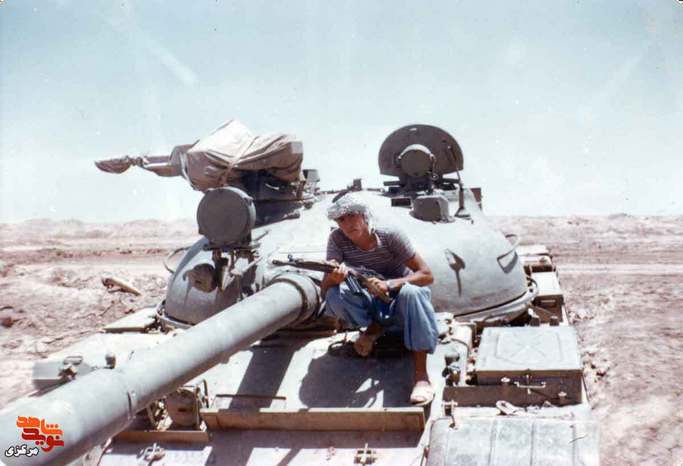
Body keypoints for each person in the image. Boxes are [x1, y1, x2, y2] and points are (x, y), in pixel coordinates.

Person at [321, 193, 439, 406]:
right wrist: (333, 278)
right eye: (341, 219)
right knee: (335, 295)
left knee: (412, 294)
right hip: (371, 299)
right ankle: (373, 330)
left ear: (364, 215)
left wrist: (390, 284)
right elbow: (324, 289)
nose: (347, 224)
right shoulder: (337, 239)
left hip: (402, 300)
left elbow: (426, 275)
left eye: (352, 215)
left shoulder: (389, 235)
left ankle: (421, 377)